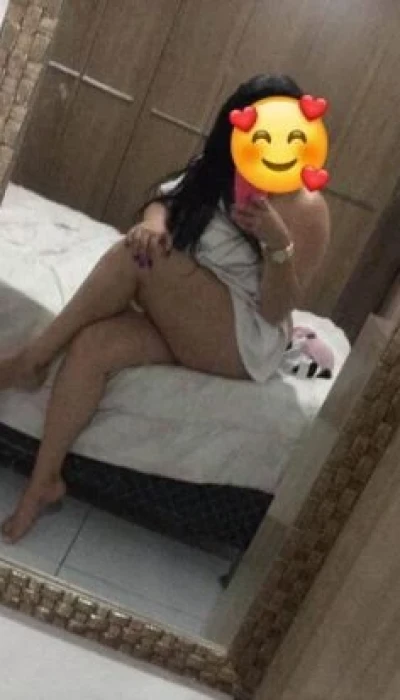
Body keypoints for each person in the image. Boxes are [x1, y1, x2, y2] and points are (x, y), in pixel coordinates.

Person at [0, 74, 330, 543]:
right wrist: (153, 225)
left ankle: (31, 361)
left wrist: (277, 243)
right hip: (188, 315)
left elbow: (277, 311)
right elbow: (164, 203)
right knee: (94, 344)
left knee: (133, 257)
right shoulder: (219, 167)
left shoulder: (306, 206)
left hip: (241, 339)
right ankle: (43, 484)